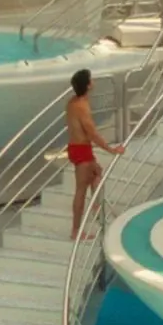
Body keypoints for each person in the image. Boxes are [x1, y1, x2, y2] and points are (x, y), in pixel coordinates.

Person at [65, 70, 124, 241]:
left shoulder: (73, 102)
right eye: (91, 79)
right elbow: (92, 134)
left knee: (97, 172)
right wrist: (112, 150)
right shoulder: (82, 107)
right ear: (88, 84)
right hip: (82, 150)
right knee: (80, 191)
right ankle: (76, 231)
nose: (93, 80)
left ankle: (96, 205)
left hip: (77, 148)